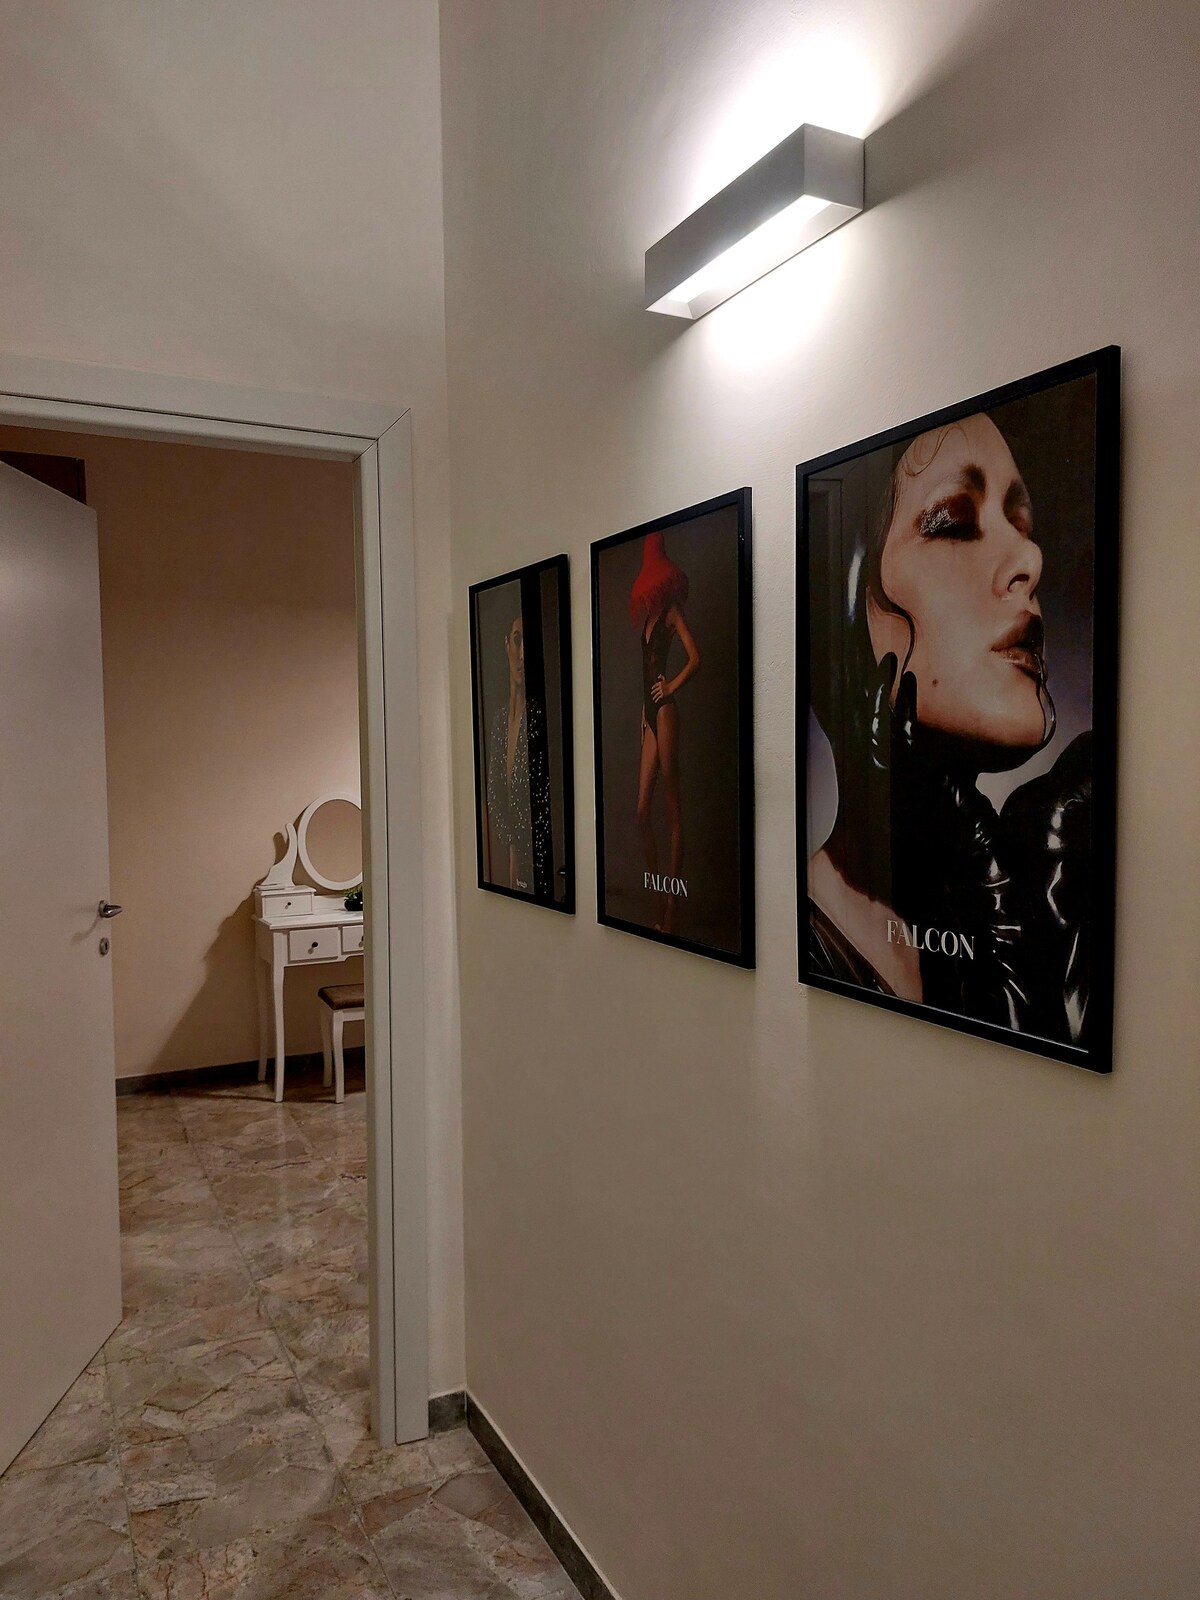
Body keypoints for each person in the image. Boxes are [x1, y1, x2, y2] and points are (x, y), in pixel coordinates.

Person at [807, 411, 1091, 1047]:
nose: (1030, 559)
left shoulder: (1033, 893)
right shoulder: (803, 941)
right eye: (955, 524)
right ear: (848, 612)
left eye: (1022, 526)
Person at [630, 532, 701, 934]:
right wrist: (644, 710)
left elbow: (696, 658)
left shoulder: (672, 613)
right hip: (650, 714)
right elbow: (644, 672)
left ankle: (672, 908)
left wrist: (670, 686)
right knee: (642, 811)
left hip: (667, 712)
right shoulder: (647, 618)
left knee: (673, 809)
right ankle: (659, 894)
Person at [485, 610, 551, 894]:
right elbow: (495, 795)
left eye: (529, 643)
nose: (523, 654)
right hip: (510, 868)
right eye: (517, 640)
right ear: (506, 645)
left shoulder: (539, 718)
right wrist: (511, 848)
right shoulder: (500, 721)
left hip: (538, 866)